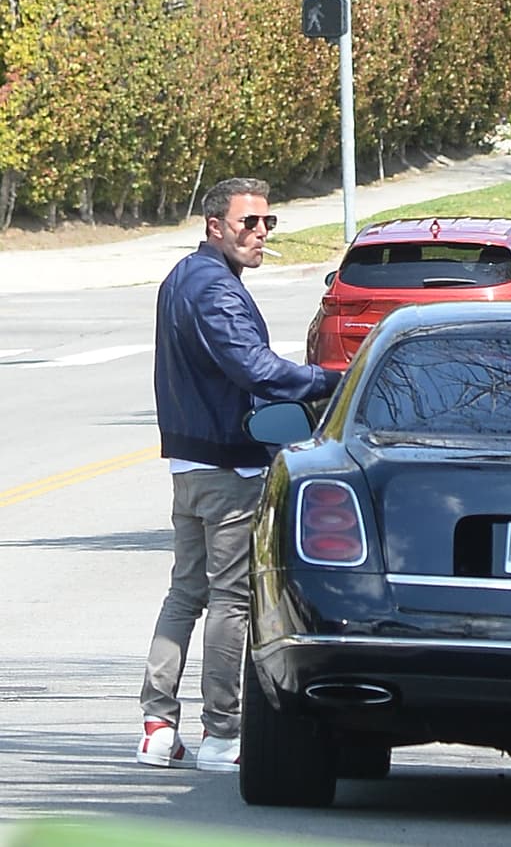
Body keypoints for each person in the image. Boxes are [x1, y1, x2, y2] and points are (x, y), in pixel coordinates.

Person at [136, 177, 341, 772]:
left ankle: (157, 726)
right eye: (247, 222)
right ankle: (221, 733)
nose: (260, 233)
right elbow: (256, 370)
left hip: (190, 462)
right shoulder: (214, 289)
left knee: (186, 593)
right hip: (228, 465)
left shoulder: (184, 277)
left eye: (266, 222)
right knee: (230, 600)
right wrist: (332, 381)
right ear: (214, 226)